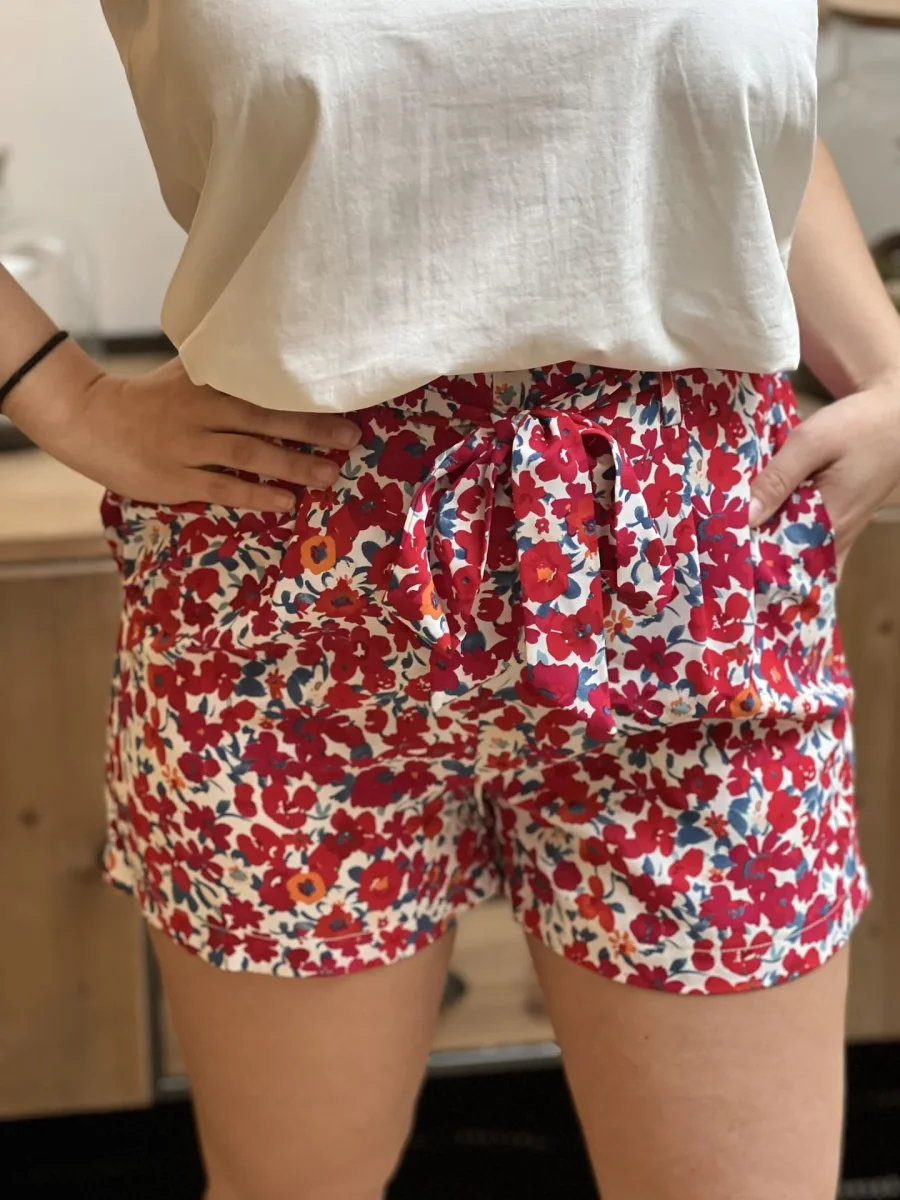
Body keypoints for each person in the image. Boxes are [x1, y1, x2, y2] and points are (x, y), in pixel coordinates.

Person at [3, 2, 900, 1198]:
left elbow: (735, 115)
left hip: (690, 578)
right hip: (291, 577)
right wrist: (58, 395)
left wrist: (888, 366)